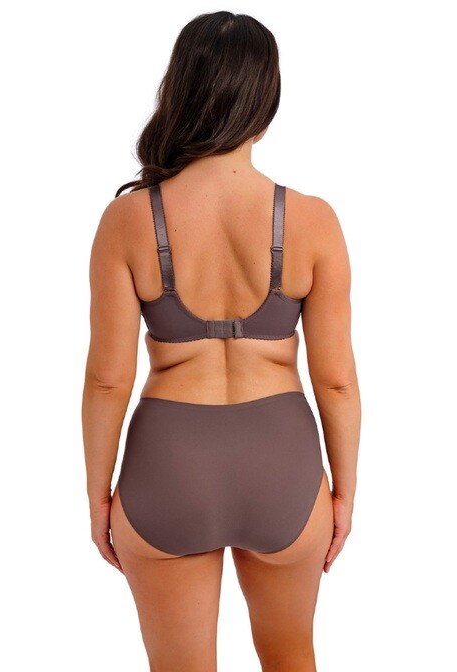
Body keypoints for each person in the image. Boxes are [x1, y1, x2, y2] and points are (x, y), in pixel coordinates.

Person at [81, 10, 361, 672]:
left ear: (180, 88)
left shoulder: (127, 219)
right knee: (291, 658)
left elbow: (107, 380)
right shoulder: (313, 221)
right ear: (266, 97)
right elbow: (337, 381)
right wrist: (343, 494)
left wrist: (98, 496)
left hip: (168, 464)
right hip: (283, 463)